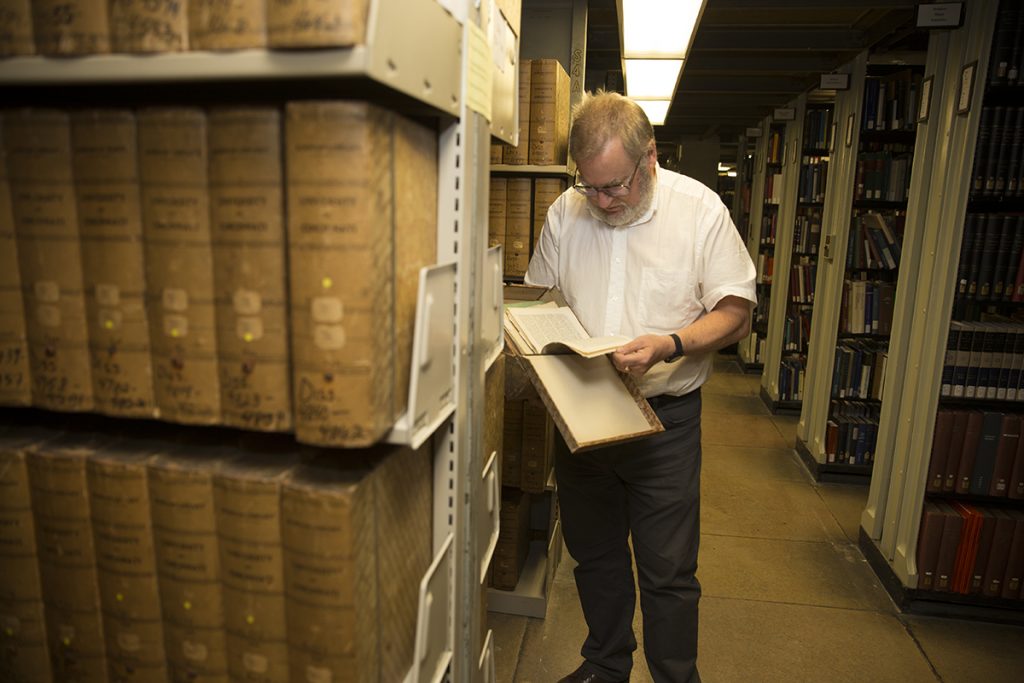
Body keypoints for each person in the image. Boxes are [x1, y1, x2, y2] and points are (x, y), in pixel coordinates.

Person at [524, 90, 757, 683]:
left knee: (668, 570)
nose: (601, 202)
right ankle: (606, 663)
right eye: (590, 187)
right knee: (594, 555)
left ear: (649, 156)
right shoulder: (564, 212)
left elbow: (736, 310)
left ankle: (674, 676)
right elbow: (543, 299)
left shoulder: (699, 211)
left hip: (665, 424)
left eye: (615, 186)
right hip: (582, 415)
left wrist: (668, 345)